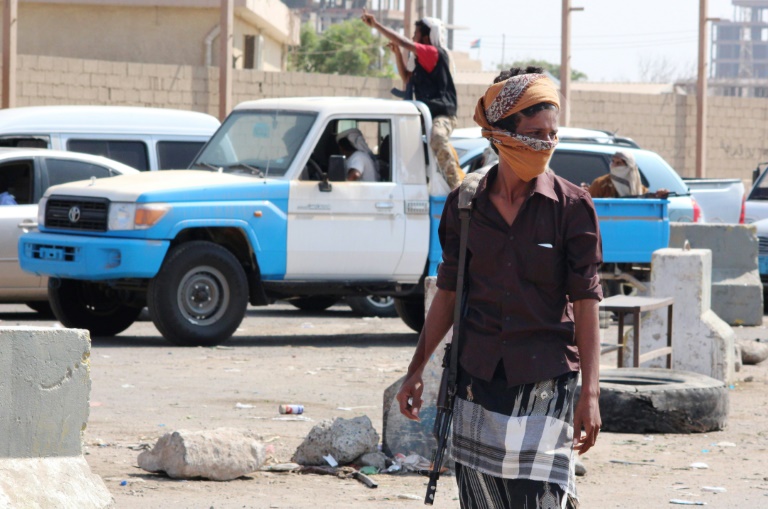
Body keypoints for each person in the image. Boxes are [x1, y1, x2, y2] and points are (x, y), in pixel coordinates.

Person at [395, 68, 603, 508]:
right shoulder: (465, 207)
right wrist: (415, 371)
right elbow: (448, 294)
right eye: (534, 134)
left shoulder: (573, 207)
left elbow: (586, 303)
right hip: (477, 378)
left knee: (540, 499)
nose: (546, 144)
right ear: (501, 135)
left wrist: (590, 393)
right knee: (482, 501)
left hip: (545, 377)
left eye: (552, 134)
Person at [361, 10, 462, 190]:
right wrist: (398, 54)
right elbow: (406, 78)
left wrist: (376, 25)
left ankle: (457, 187)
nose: (413, 37)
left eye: (416, 34)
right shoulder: (421, 61)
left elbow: (404, 42)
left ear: (426, 37)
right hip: (425, 115)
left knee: (438, 137)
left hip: (441, 115)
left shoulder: (433, 54)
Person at [586, 150, 669, 198]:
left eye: (619, 163)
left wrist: (659, 195)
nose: (614, 166)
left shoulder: (639, 189)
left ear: (629, 167)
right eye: (613, 162)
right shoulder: (601, 184)